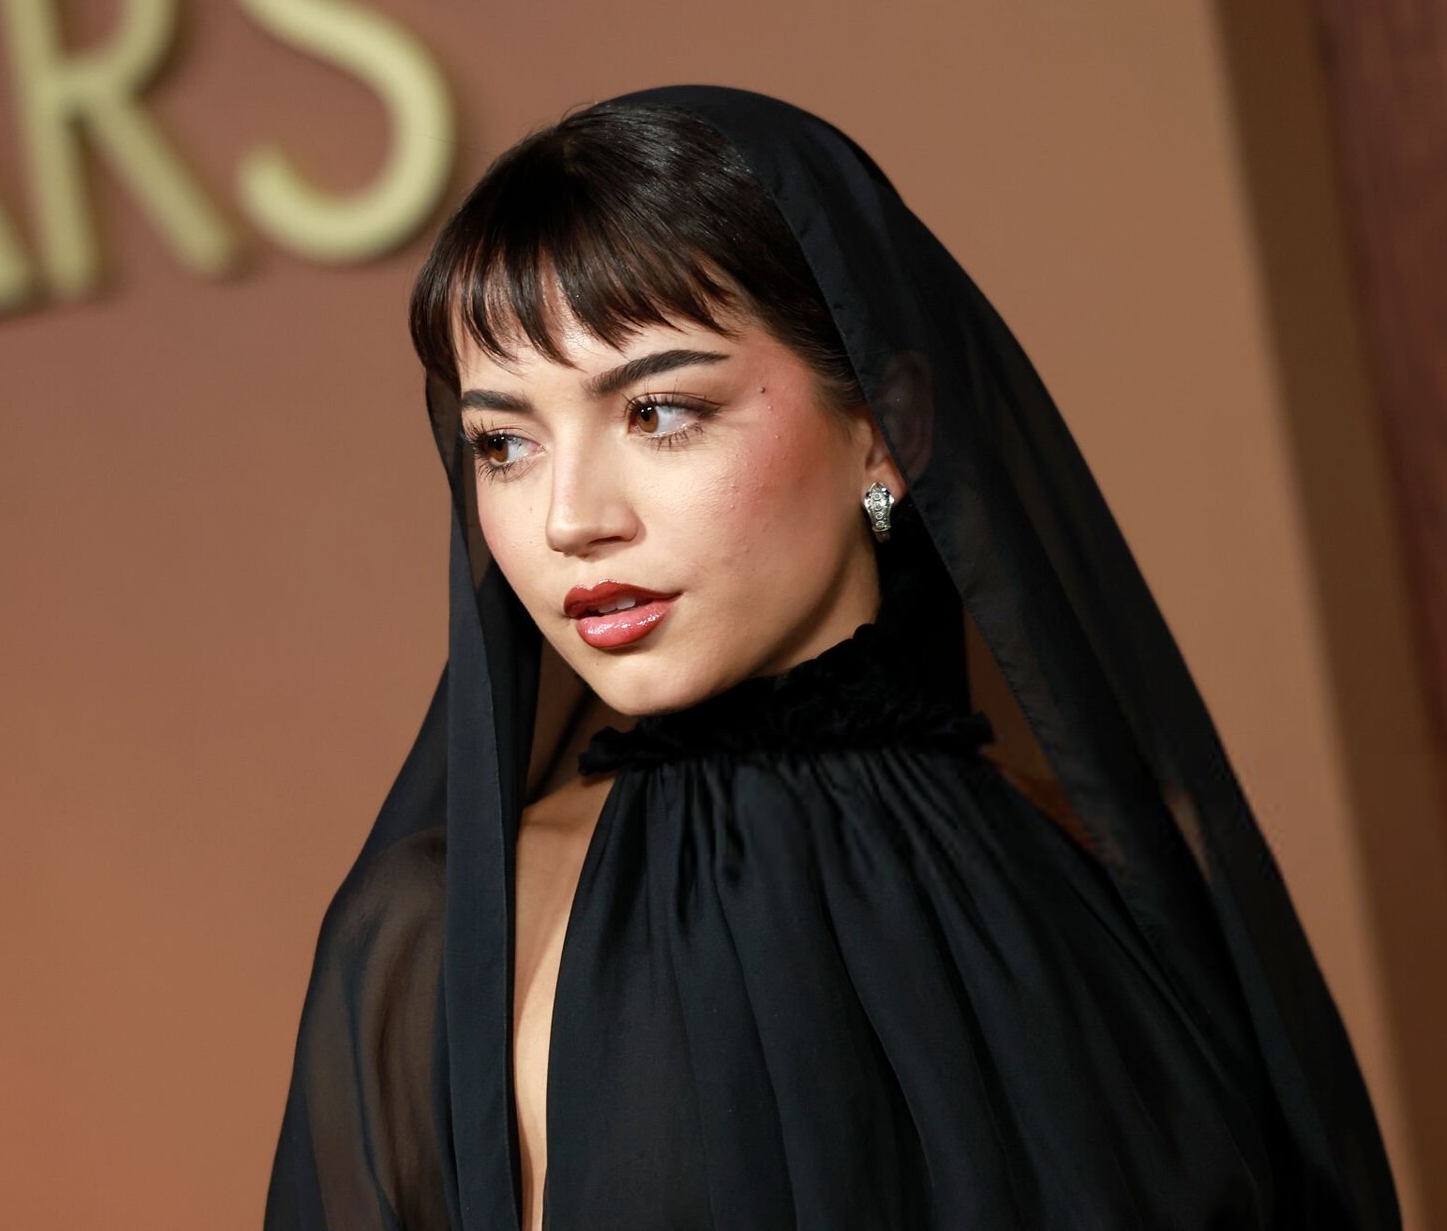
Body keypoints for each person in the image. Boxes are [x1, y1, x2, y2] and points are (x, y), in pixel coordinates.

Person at [262, 85, 1402, 1230]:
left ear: (887, 426)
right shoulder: (450, 937)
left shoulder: (1120, 875)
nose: (569, 518)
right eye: (504, 443)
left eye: (659, 411)